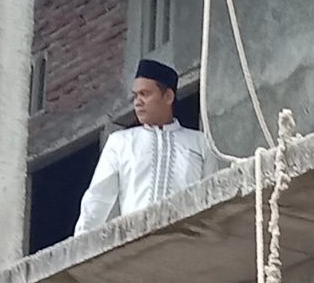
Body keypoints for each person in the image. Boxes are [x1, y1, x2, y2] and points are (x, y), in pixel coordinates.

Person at [72, 59, 217, 236]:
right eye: (135, 95)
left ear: (168, 97)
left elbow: (211, 197)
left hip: (185, 242)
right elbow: (98, 198)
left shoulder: (199, 142)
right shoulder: (120, 142)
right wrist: (81, 243)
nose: (138, 102)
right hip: (136, 244)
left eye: (145, 94)